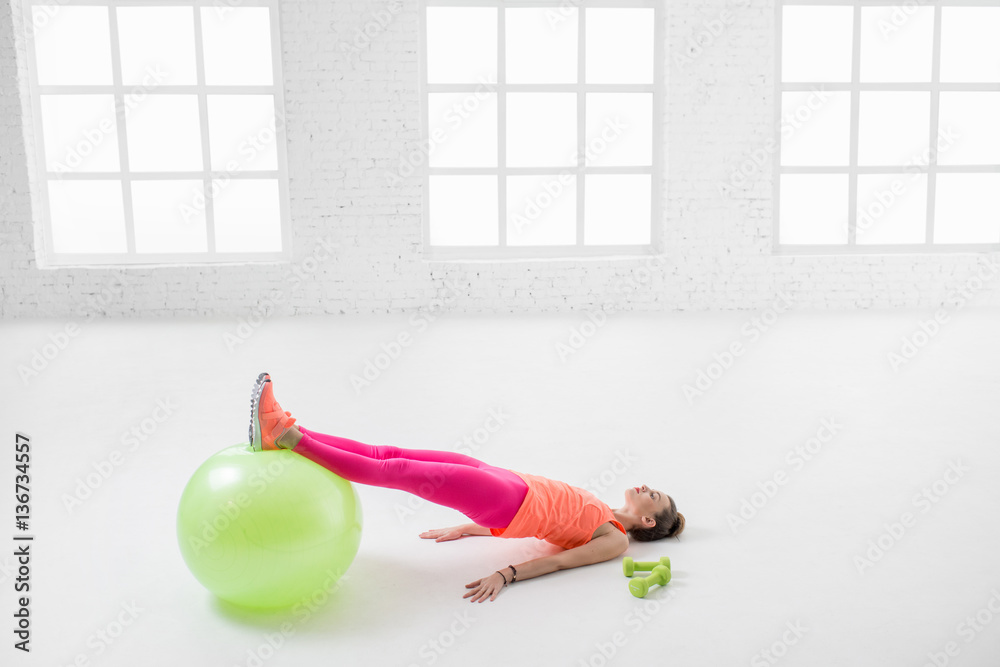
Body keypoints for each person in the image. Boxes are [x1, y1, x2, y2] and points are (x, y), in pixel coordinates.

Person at [248, 372, 684, 602]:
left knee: (394, 471)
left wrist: (506, 574)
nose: (647, 487)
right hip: (507, 481)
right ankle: (290, 428)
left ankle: (282, 436)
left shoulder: (615, 541)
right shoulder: (605, 510)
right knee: (388, 453)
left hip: (506, 501)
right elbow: (554, 527)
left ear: (648, 519)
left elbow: (559, 562)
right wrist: (470, 530)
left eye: (655, 495)